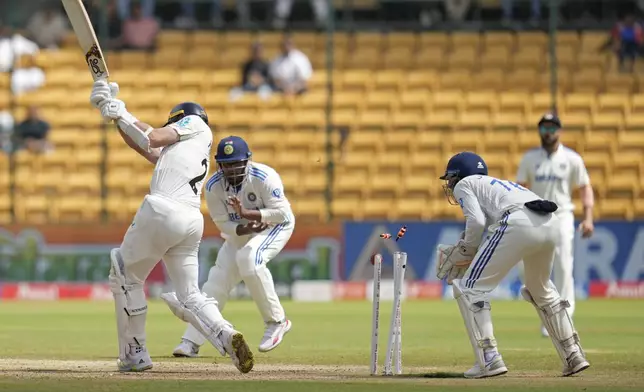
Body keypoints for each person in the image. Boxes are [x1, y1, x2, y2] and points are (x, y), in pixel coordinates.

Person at [89, 80, 254, 374]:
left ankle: (134, 353)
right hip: (189, 221)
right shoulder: (188, 150)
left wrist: (123, 111)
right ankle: (226, 333)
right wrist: (114, 114)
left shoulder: (195, 123)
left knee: (125, 275)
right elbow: (144, 145)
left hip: (163, 210)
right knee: (190, 295)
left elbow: (152, 136)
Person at [436, 151, 589, 379]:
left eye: (451, 178)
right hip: (550, 223)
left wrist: (464, 250)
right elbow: (486, 230)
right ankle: (573, 353)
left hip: (519, 222)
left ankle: (489, 359)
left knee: (470, 289)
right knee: (541, 289)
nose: (449, 184)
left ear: (461, 175)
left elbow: (476, 223)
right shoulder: (496, 185)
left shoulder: (465, 184)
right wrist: (470, 248)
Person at [172, 135, 294, 358]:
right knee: (216, 283)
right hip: (243, 231)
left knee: (250, 258)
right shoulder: (213, 186)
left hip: (275, 227)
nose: (232, 169)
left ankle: (277, 321)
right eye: (227, 164)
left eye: (237, 163)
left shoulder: (264, 176)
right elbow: (222, 224)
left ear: (247, 161)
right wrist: (247, 228)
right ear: (220, 164)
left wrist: (248, 214)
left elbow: (283, 213)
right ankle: (191, 340)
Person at [516, 113, 594, 337]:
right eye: (544, 128)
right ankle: (548, 315)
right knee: (532, 268)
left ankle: (565, 318)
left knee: (563, 266)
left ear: (559, 131)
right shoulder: (530, 158)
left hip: (562, 217)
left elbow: (585, 187)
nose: (548, 133)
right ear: (539, 131)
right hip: (536, 217)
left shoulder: (572, 159)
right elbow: (520, 188)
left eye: (552, 128)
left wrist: (588, 218)